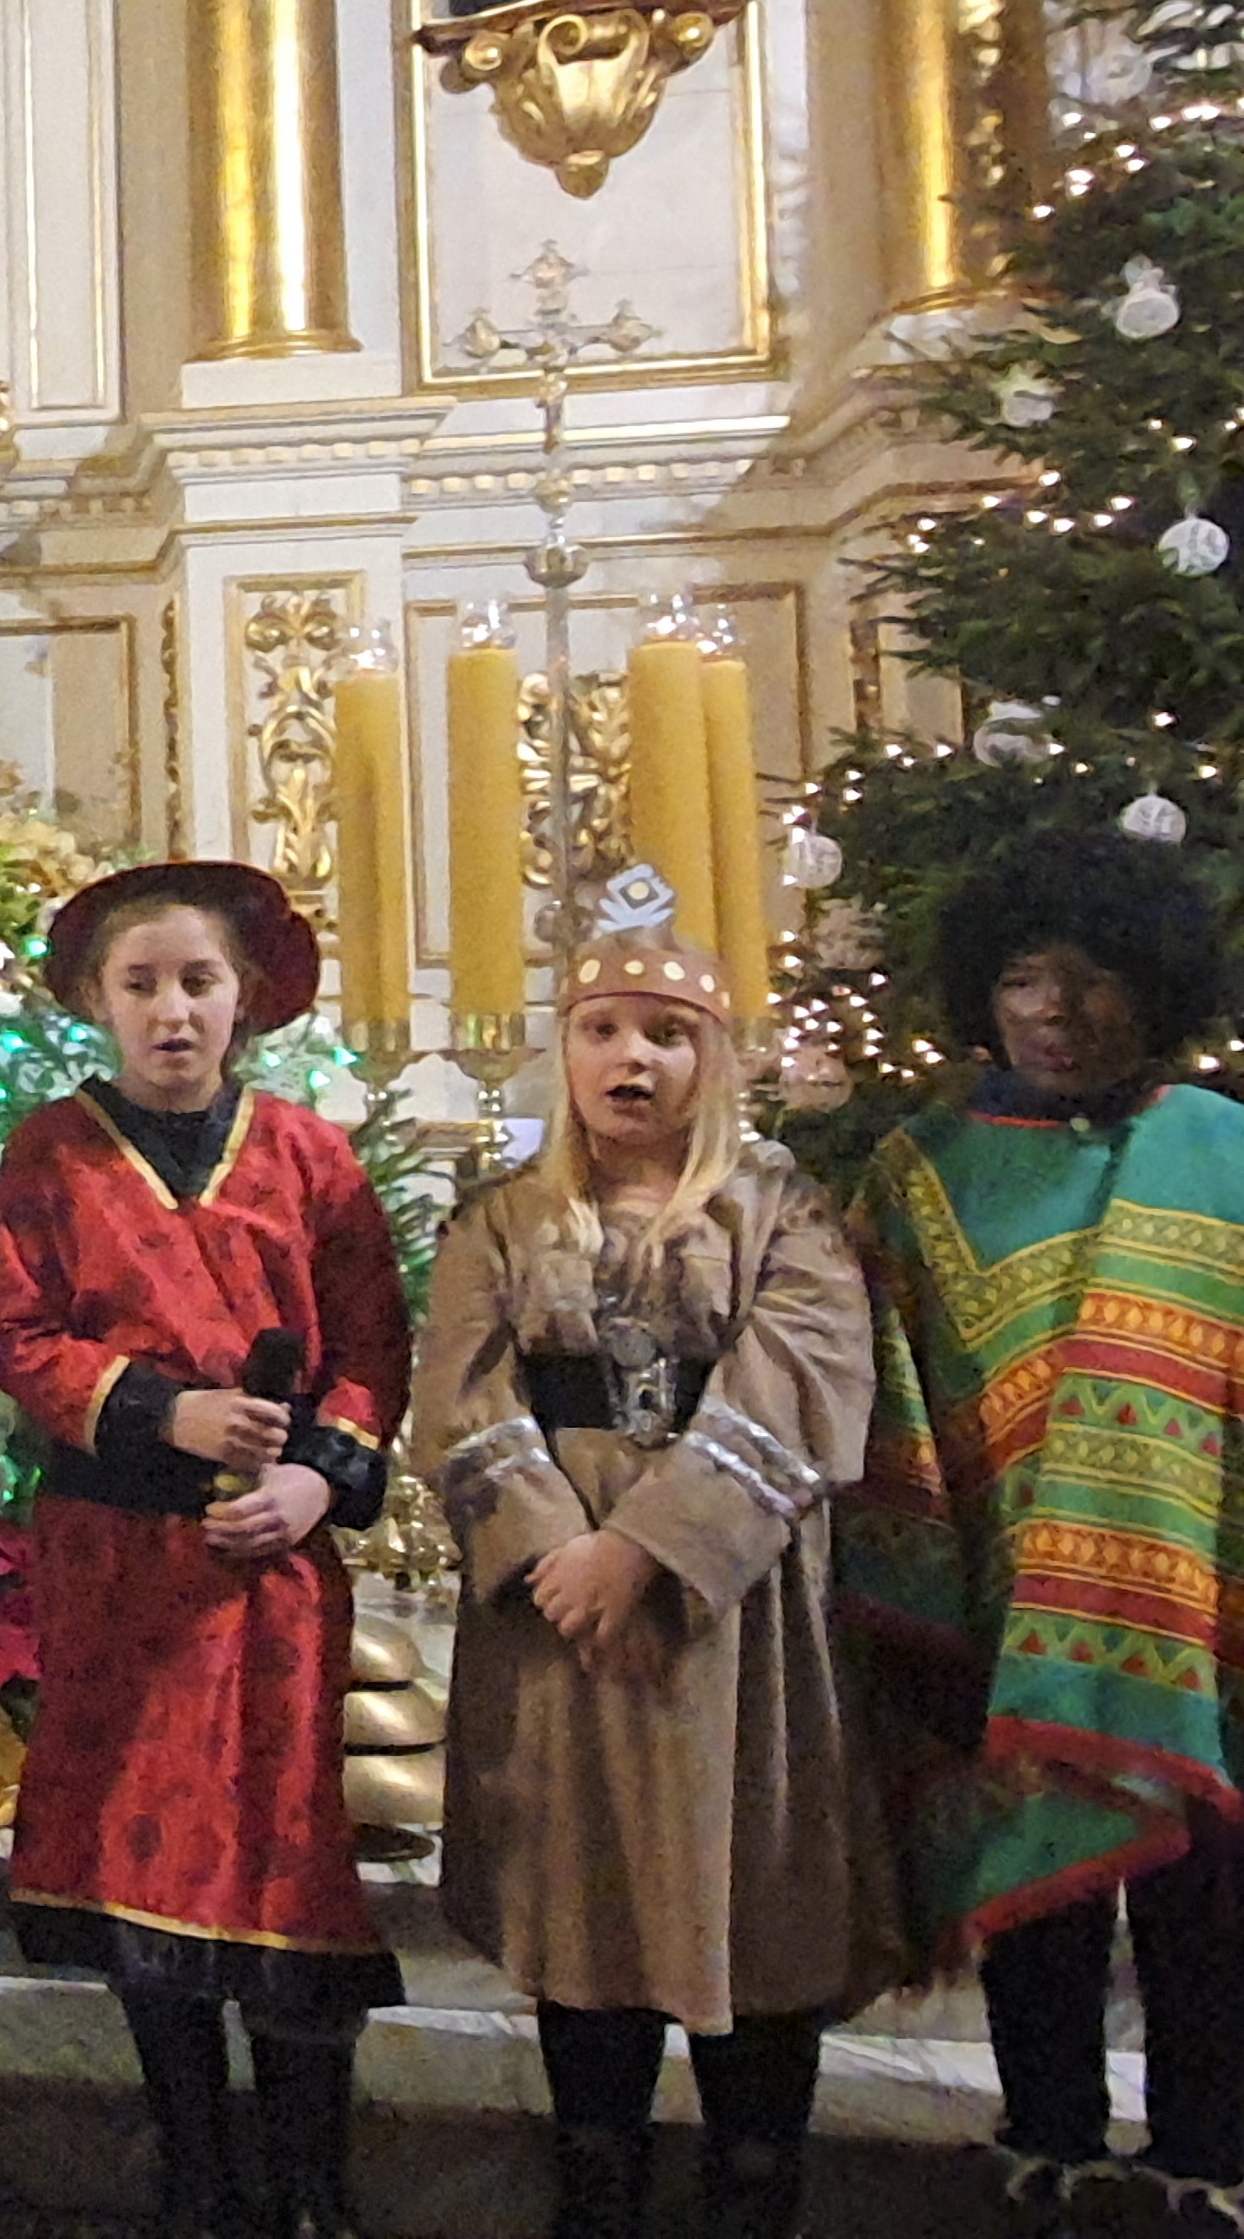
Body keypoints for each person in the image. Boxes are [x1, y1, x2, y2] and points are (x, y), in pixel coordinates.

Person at [410, 922, 895, 2239]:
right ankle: (596, 2189)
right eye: (604, 1030)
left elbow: (804, 1381)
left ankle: (754, 2190)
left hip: (729, 1617)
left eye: (669, 1035)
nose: (634, 1058)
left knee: (750, 1890)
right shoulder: (502, 1219)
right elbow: (460, 1397)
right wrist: (556, 1550)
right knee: (585, 1900)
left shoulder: (784, 1213)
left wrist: (648, 1551)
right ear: (564, 1052)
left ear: (713, 1059)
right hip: (557, 1619)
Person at [0, 863, 407, 2239]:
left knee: (283, 1850)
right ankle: (196, 2176)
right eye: (142, 984)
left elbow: (372, 1346)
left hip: (269, 1569)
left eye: (198, 982)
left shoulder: (310, 1157)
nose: (172, 1011)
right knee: (139, 1858)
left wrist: (315, 1476)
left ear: (247, 997)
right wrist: (165, 1409)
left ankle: (310, 2187)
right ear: (97, 1001)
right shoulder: (52, 1154)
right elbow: (21, 1334)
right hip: (121, 1566)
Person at [840, 830, 1244, 2235]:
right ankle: (1048, 2136)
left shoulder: (1224, 1150)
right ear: (982, 994)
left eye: (1095, 979)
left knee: (1212, 1903)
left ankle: (1209, 2154)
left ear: (1155, 986)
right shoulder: (922, 1170)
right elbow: (886, 1383)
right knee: (1034, 1891)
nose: (1059, 1012)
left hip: (1207, 1610)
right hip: (1006, 1610)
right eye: (1024, 979)